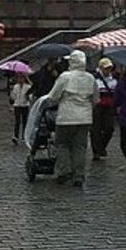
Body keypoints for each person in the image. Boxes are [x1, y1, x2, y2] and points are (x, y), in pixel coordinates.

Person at [45, 51, 98, 188]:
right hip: (84, 118)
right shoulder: (90, 78)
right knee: (80, 147)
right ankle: (78, 175)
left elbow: (53, 96)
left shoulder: (65, 77)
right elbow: (95, 99)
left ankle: (64, 171)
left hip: (66, 117)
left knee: (62, 144)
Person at [90, 58, 118, 160]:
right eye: (106, 68)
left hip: (109, 107)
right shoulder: (94, 79)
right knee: (95, 130)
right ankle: (96, 151)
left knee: (109, 128)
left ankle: (101, 147)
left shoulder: (115, 79)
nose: (108, 70)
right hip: (97, 106)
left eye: (109, 68)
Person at [9, 74, 32, 144]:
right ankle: (16, 136)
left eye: (22, 78)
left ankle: (24, 136)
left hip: (25, 105)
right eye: (19, 78)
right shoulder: (16, 87)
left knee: (25, 121)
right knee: (17, 121)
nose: (20, 80)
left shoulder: (28, 87)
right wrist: (11, 92)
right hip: (17, 105)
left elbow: (30, 97)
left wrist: (28, 97)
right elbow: (13, 97)